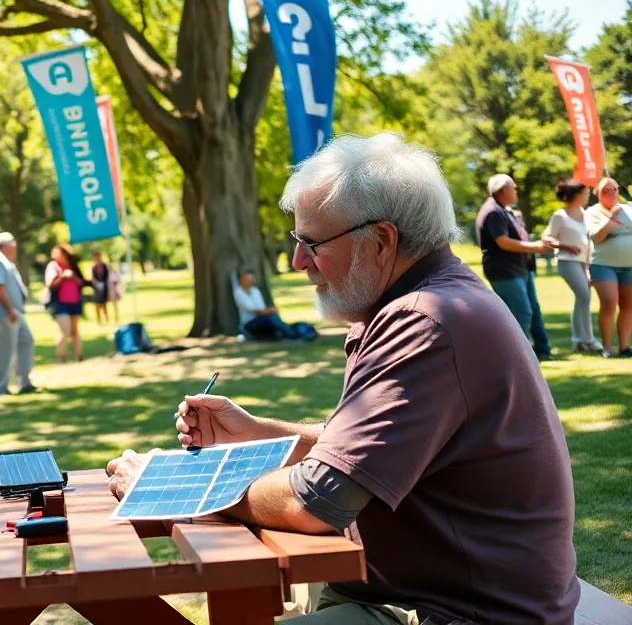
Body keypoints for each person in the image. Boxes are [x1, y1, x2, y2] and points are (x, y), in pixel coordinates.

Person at [107, 133, 577, 624]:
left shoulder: (425, 321)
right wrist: (257, 432)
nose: (297, 262)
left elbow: (317, 500)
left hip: (457, 613)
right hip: (416, 596)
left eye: (311, 243)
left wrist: (176, 487)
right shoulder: (427, 302)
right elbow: (361, 452)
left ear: (381, 241)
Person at [475, 174, 558, 359]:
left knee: (533, 311)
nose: (516, 190)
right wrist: (535, 247)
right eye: (513, 187)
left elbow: (518, 237)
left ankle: (542, 350)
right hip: (505, 271)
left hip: (521, 269)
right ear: (503, 190)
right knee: (522, 311)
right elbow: (503, 242)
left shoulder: (505, 210)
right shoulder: (493, 211)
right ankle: (517, 355)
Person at [543, 180, 598, 354]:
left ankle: (578, 340)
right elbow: (547, 238)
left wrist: (588, 266)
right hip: (567, 261)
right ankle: (589, 340)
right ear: (576, 195)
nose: (587, 196)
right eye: (585, 193)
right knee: (584, 295)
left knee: (581, 298)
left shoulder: (585, 214)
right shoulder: (560, 216)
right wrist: (565, 246)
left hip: (584, 262)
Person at [585, 176, 632, 357]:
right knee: (610, 303)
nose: (612, 193)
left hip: (629, 265)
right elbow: (596, 237)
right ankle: (607, 347)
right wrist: (611, 218)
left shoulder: (628, 209)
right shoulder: (592, 212)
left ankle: (624, 346)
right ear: (598, 194)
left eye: (615, 189)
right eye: (606, 191)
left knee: (628, 306)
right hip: (604, 265)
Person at [0, 232, 35, 395]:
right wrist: (10, 309)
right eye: (12, 243)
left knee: (26, 341)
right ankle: (0, 387)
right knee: (5, 348)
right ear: (4, 245)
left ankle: (24, 381)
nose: (15, 246)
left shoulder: (6, 261)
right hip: (5, 313)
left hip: (15, 312)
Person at [44, 243, 87, 363]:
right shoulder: (53, 266)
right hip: (60, 303)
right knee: (65, 330)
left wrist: (73, 278)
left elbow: (82, 282)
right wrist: (62, 276)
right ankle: (61, 356)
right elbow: (50, 284)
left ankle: (79, 355)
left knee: (75, 330)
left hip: (75, 301)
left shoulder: (72, 266)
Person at [232, 269, 298, 341]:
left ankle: (291, 333)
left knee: (273, 317)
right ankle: (293, 334)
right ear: (241, 280)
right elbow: (254, 310)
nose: (249, 282)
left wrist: (269, 311)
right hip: (249, 323)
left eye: (251, 280)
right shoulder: (239, 293)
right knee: (272, 317)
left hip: (261, 319)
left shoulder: (255, 291)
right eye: (247, 279)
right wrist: (269, 311)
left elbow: (261, 307)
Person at [89, 249, 111, 325]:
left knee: (104, 304)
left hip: (104, 287)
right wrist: (96, 284)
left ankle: (107, 319)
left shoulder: (104, 266)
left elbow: (107, 277)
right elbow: (93, 278)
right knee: (97, 304)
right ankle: (99, 320)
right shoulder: (94, 267)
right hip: (97, 287)